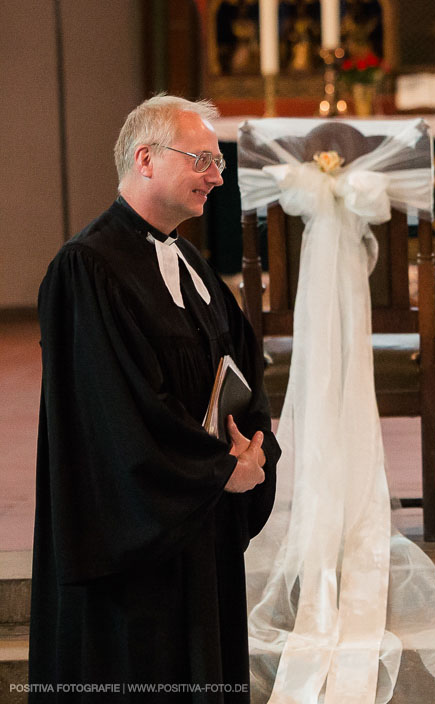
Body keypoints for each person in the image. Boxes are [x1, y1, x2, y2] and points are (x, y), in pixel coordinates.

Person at [30, 94, 280, 702]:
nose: (217, 178)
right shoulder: (85, 268)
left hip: (198, 530)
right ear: (146, 158)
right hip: (135, 546)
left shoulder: (189, 260)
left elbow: (240, 369)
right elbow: (112, 415)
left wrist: (254, 449)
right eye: (203, 161)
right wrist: (218, 469)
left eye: (218, 163)